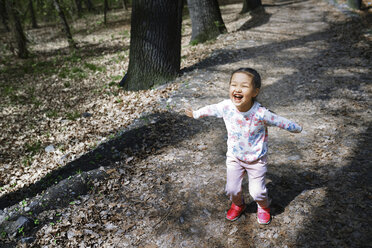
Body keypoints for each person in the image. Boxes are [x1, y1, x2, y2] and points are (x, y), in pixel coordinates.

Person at [185, 68, 302, 224]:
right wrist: (196, 113)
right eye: (234, 85)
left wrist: (295, 128)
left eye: (244, 86)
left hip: (256, 159)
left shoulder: (260, 113)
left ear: (255, 92)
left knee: (258, 192)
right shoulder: (226, 106)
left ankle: (264, 206)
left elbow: (279, 120)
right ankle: (238, 204)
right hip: (234, 156)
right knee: (231, 189)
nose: (237, 89)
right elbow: (211, 109)